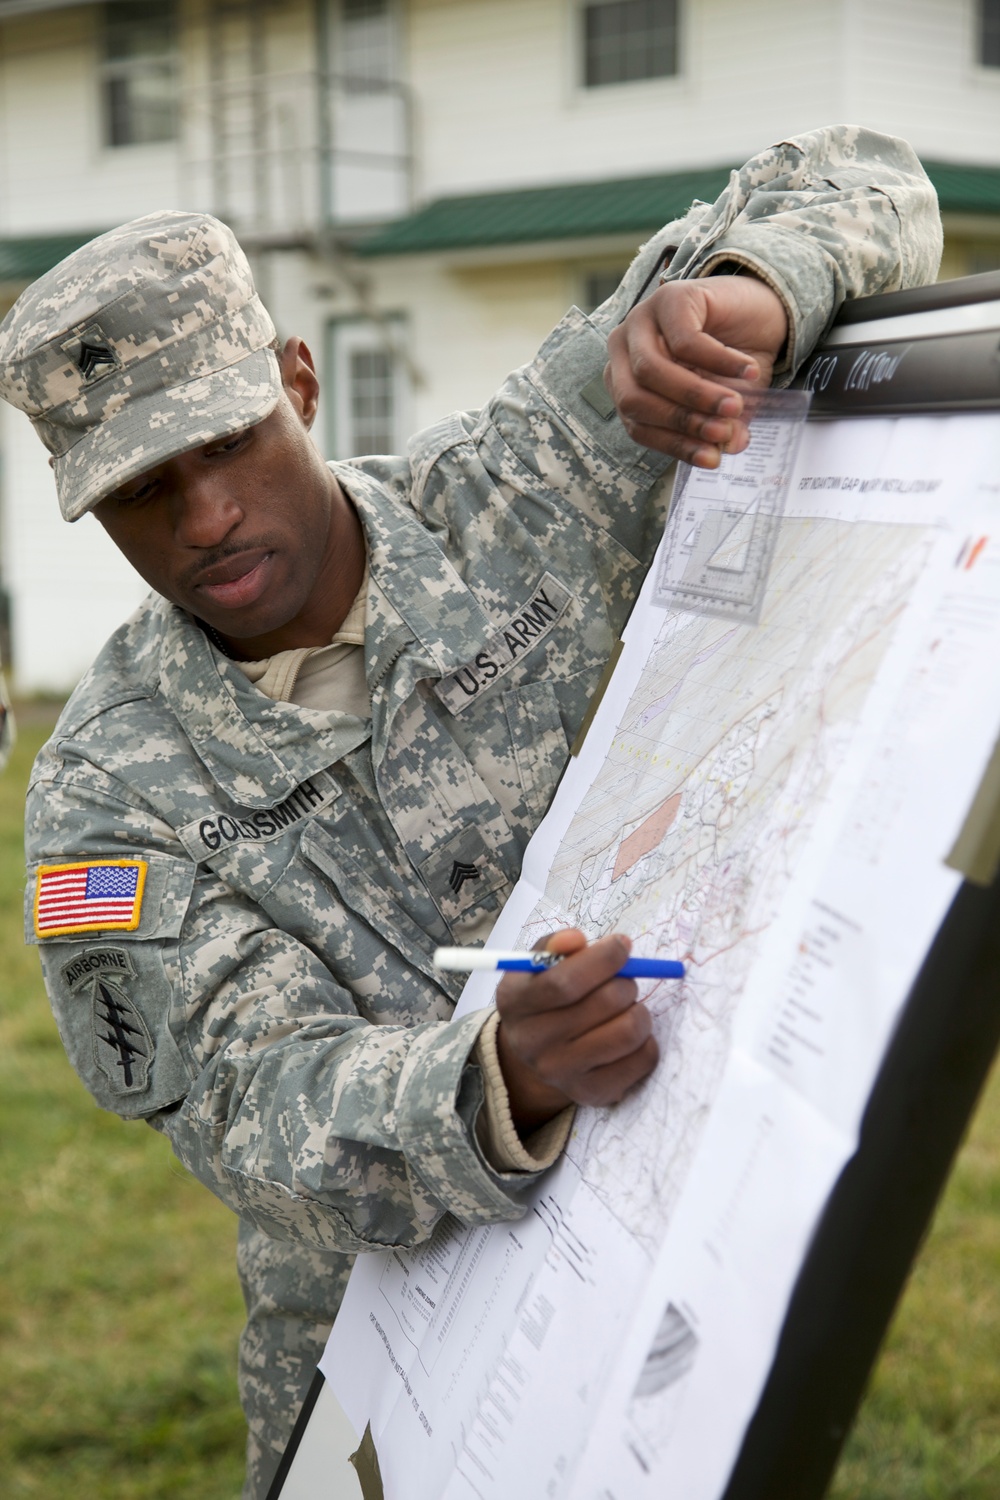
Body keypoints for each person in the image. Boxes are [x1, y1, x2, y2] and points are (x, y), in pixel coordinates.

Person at [0, 125, 941, 1497]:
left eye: (225, 443)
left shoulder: (522, 486)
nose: (204, 516)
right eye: (144, 491)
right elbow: (247, 1105)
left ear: (300, 381)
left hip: (683, 1288)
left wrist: (747, 290)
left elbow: (862, 175)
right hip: (389, 1386)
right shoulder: (103, 798)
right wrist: (495, 1078)